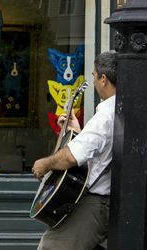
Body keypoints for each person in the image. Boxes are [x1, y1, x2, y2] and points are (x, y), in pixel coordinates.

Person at [32, 50, 117, 250]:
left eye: (94, 76)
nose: (94, 81)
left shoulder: (106, 115)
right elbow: (102, 148)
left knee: (51, 247)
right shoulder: (119, 109)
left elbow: (70, 157)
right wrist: (78, 131)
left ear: (103, 79)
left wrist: (44, 163)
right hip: (102, 203)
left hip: (94, 203)